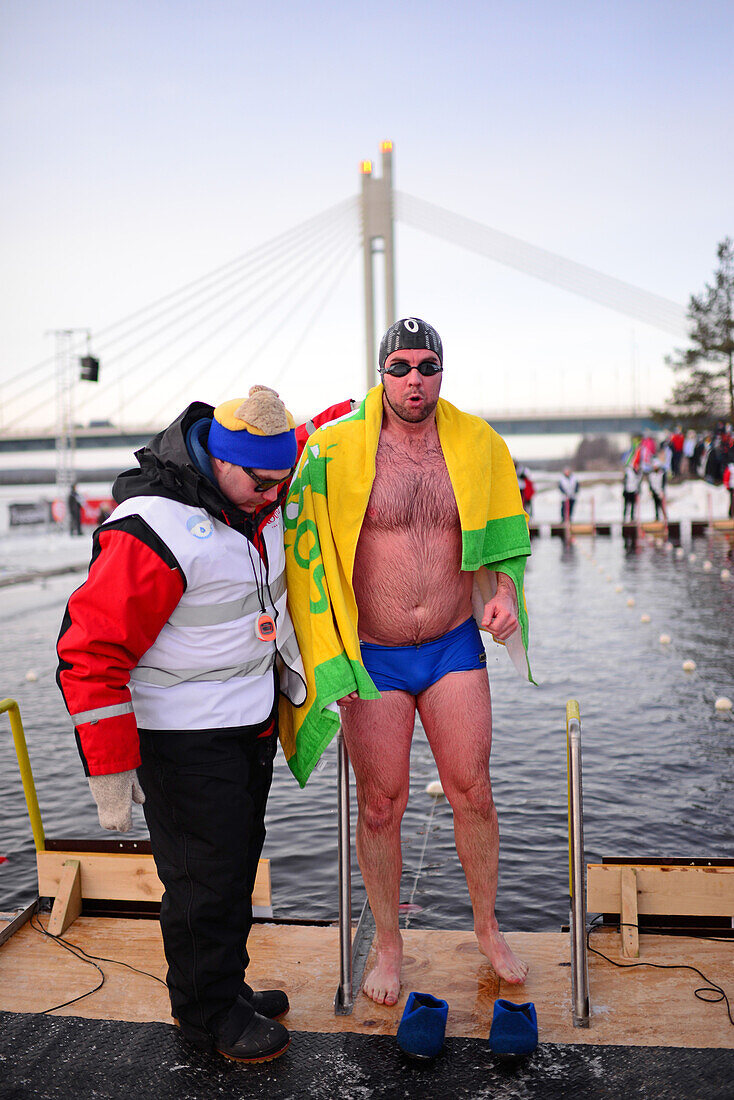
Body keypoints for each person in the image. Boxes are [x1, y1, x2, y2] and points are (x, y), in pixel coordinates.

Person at [282, 318, 532, 1007]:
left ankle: (487, 926)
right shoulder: (334, 450)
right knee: (381, 807)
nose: (414, 379)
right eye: (400, 367)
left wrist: (505, 595)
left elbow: (505, 544)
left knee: (473, 793)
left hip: (453, 644)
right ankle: (388, 943)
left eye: (427, 366)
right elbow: (296, 538)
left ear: (442, 371)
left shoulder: (477, 444)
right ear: (381, 373)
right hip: (375, 656)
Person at [56, 388, 310, 1064]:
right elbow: (88, 650)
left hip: (244, 730)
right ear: (218, 461)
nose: (274, 495)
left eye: (283, 483)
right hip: (182, 741)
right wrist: (109, 768)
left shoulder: (252, 495)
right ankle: (205, 1019)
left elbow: (315, 435)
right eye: (262, 483)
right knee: (201, 881)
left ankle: (224, 985)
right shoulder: (156, 528)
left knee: (233, 871)